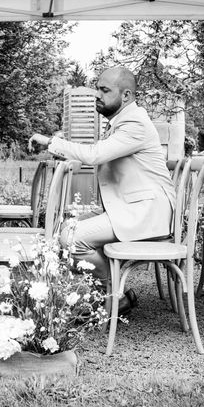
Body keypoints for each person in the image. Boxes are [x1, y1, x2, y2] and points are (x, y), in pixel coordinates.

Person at [28, 67, 175, 286]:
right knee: (67, 228)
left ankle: (113, 293)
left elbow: (95, 155)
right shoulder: (122, 121)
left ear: (126, 95)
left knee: (71, 239)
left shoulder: (134, 123)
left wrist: (51, 142)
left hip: (147, 213)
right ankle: (107, 293)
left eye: (104, 90)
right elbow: (98, 153)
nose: (97, 95)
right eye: (97, 88)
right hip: (129, 207)